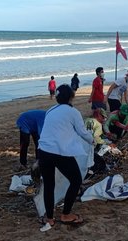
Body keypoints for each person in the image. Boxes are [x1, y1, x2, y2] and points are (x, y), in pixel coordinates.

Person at [38, 84, 93, 231]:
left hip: (43, 150)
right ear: (71, 97)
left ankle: (49, 218)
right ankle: (66, 214)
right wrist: (92, 140)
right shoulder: (73, 112)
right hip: (59, 152)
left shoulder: (50, 110)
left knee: (49, 185)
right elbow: (82, 132)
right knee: (76, 180)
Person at [84, 108, 108, 173]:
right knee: (99, 160)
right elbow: (96, 138)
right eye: (103, 117)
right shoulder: (98, 124)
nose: (104, 119)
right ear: (98, 116)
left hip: (82, 143)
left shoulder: (87, 120)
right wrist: (105, 143)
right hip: (90, 145)